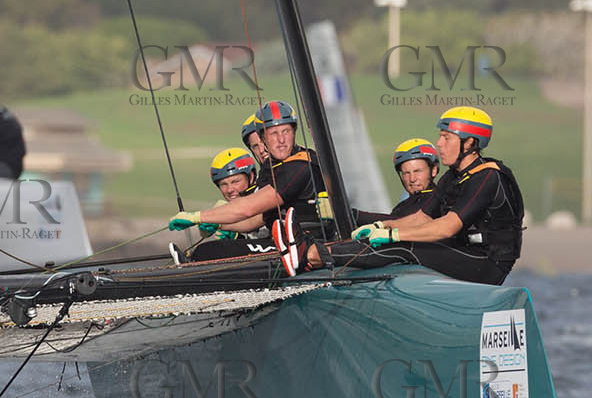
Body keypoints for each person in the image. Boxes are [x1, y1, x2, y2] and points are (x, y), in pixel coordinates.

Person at [293, 106, 524, 285]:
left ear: (470, 142)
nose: (439, 144)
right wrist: (379, 226)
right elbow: (420, 217)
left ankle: (314, 256)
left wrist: (393, 235)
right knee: (395, 241)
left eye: (446, 137)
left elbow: (446, 228)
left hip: (488, 264)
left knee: (405, 247)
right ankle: (313, 252)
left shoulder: (487, 177)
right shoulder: (453, 176)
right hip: (464, 252)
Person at [166, 99, 323, 243]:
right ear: (264, 138)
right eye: (274, 134)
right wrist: (219, 225)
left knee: (208, 252)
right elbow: (259, 218)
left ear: (294, 132)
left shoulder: (300, 165)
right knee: (208, 251)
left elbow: (248, 209)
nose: (281, 140)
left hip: (308, 241)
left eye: (286, 131)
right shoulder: (271, 168)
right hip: (284, 242)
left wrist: (197, 217)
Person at [173, 148, 278, 263]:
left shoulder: (264, 193)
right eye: (223, 184)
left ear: (251, 176)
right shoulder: (226, 208)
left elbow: (256, 220)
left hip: (280, 249)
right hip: (263, 251)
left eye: (235, 182)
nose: (230, 190)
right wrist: (236, 237)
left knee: (207, 251)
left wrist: (218, 224)